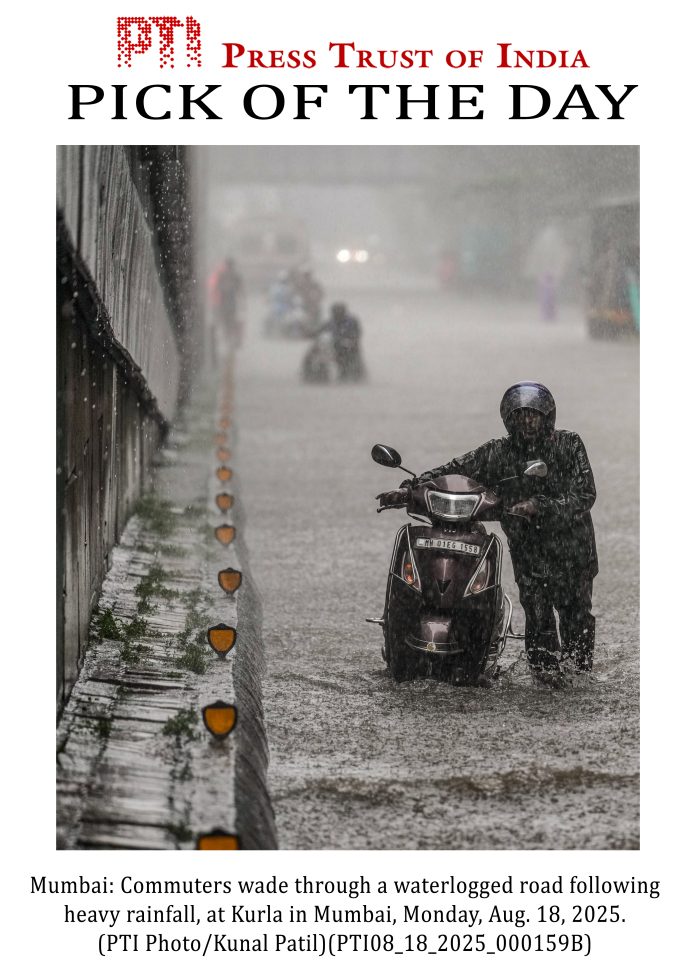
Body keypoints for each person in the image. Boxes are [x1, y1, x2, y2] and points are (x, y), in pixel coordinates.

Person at [380, 382, 597, 677]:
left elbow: (585, 494)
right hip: (528, 551)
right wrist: (409, 489)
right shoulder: (498, 453)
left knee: (576, 617)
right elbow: (456, 468)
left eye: (533, 415)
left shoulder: (569, 445)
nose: (527, 422)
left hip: (571, 550)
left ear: (548, 417)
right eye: (519, 416)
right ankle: (545, 680)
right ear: (508, 420)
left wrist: (540, 505)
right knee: (537, 617)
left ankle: (579, 677)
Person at [324, 301, 365, 381]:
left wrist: (351, 340)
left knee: (352, 359)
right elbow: (321, 329)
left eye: (339, 312)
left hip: (350, 347)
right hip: (336, 347)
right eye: (335, 312)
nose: (337, 315)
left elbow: (357, 333)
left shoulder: (351, 321)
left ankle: (356, 375)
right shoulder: (331, 322)